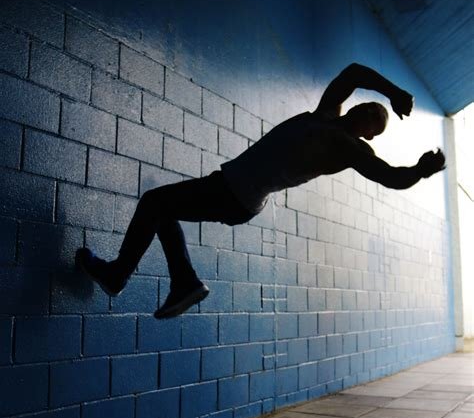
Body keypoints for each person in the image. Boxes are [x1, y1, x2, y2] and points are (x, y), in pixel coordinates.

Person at [76, 62, 445, 319]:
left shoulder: (349, 149)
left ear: (369, 136)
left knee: (155, 202)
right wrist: (394, 91)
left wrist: (420, 170)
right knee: (161, 208)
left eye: (374, 123)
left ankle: (128, 276)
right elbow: (353, 73)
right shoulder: (326, 114)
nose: (368, 115)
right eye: (369, 108)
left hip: (238, 193)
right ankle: (180, 282)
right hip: (234, 189)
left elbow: (391, 177)